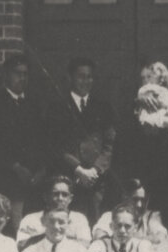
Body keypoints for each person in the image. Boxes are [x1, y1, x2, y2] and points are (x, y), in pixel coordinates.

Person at [0, 53, 47, 232]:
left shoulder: (34, 104)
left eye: (25, 74)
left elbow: (43, 141)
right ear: (7, 75)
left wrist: (40, 170)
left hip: (33, 183)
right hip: (7, 180)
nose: (22, 78)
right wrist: (16, 167)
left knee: (32, 228)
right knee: (9, 227)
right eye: (17, 73)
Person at [47, 57, 118, 222]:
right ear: (71, 78)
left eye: (89, 77)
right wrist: (78, 169)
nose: (85, 81)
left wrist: (96, 170)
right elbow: (55, 145)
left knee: (96, 224)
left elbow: (109, 144)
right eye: (81, 76)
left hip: (96, 182)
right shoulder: (57, 107)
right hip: (69, 178)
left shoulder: (103, 108)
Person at [91, 177, 168, 252]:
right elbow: (98, 236)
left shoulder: (150, 216)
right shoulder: (110, 215)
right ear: (125, 198)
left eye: (143, 200)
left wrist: (123, 239)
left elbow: (160, 238)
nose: (139, 205)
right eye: (135, 200)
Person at [16, 176, 92, 249]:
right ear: (46, 197)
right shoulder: (31, 219)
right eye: (56, 194)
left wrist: (40, 236)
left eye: (64, 195)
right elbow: (21, 245)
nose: (60, 198)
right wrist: (66, 237)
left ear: (70, 199)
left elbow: (85, 245)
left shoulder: (79, 218)